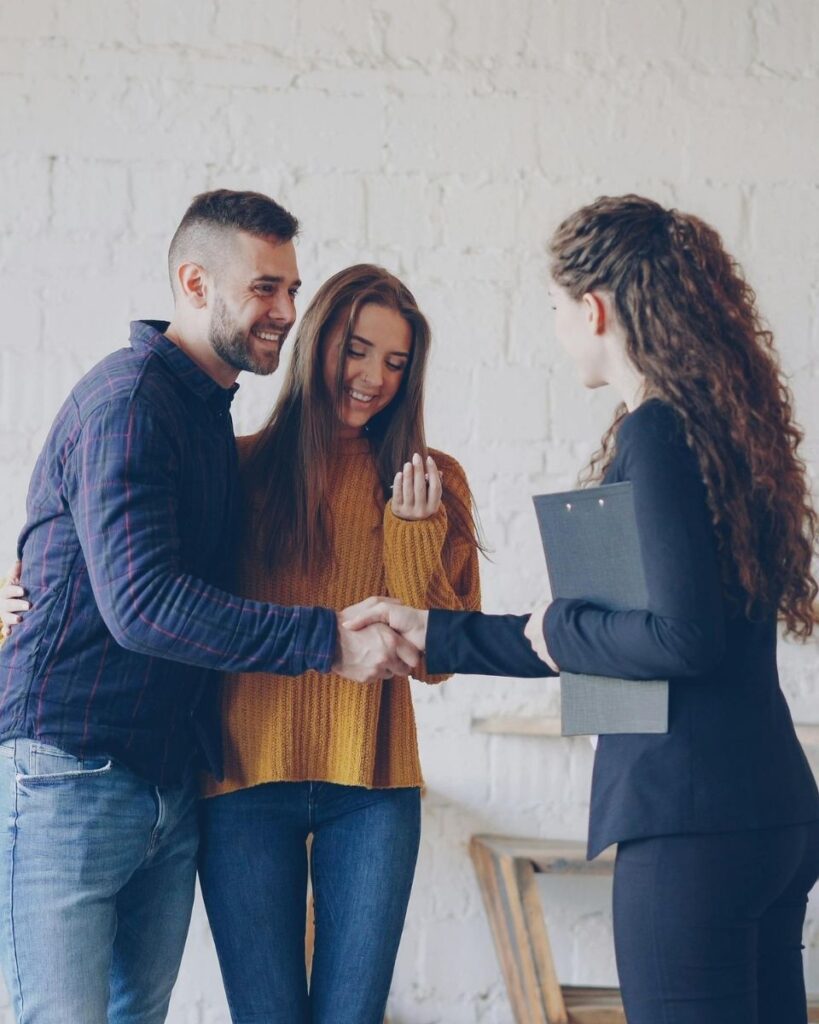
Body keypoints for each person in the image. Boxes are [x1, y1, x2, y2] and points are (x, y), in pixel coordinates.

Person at [348, 195, 819, 1024]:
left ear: (593, 309)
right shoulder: (719, 433)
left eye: (555, 306)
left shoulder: (657, 434)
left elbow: (680, 638)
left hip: (691, 823)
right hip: (768, 810)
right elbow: (617, 636)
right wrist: (437, 632)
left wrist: (556, 625)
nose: (557, 326)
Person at [0, 190, 417, 1024]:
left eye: (292, 289)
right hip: (70, 774)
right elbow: (143, 604)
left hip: (166, 782)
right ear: (195, 284)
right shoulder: (131, 403)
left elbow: (88, 552)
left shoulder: (203, 421)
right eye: (265, 288)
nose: (286, 311)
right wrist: (327, 640)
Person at [196, 264, 481, 1024]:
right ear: (316, 341)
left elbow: (440, 660)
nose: (373, 378)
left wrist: (411, 535)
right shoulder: (239, 467)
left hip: (374, 792)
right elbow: (157, 587)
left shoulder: (432, 482)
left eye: (395, 362)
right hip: (243, 784)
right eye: (356, 350)